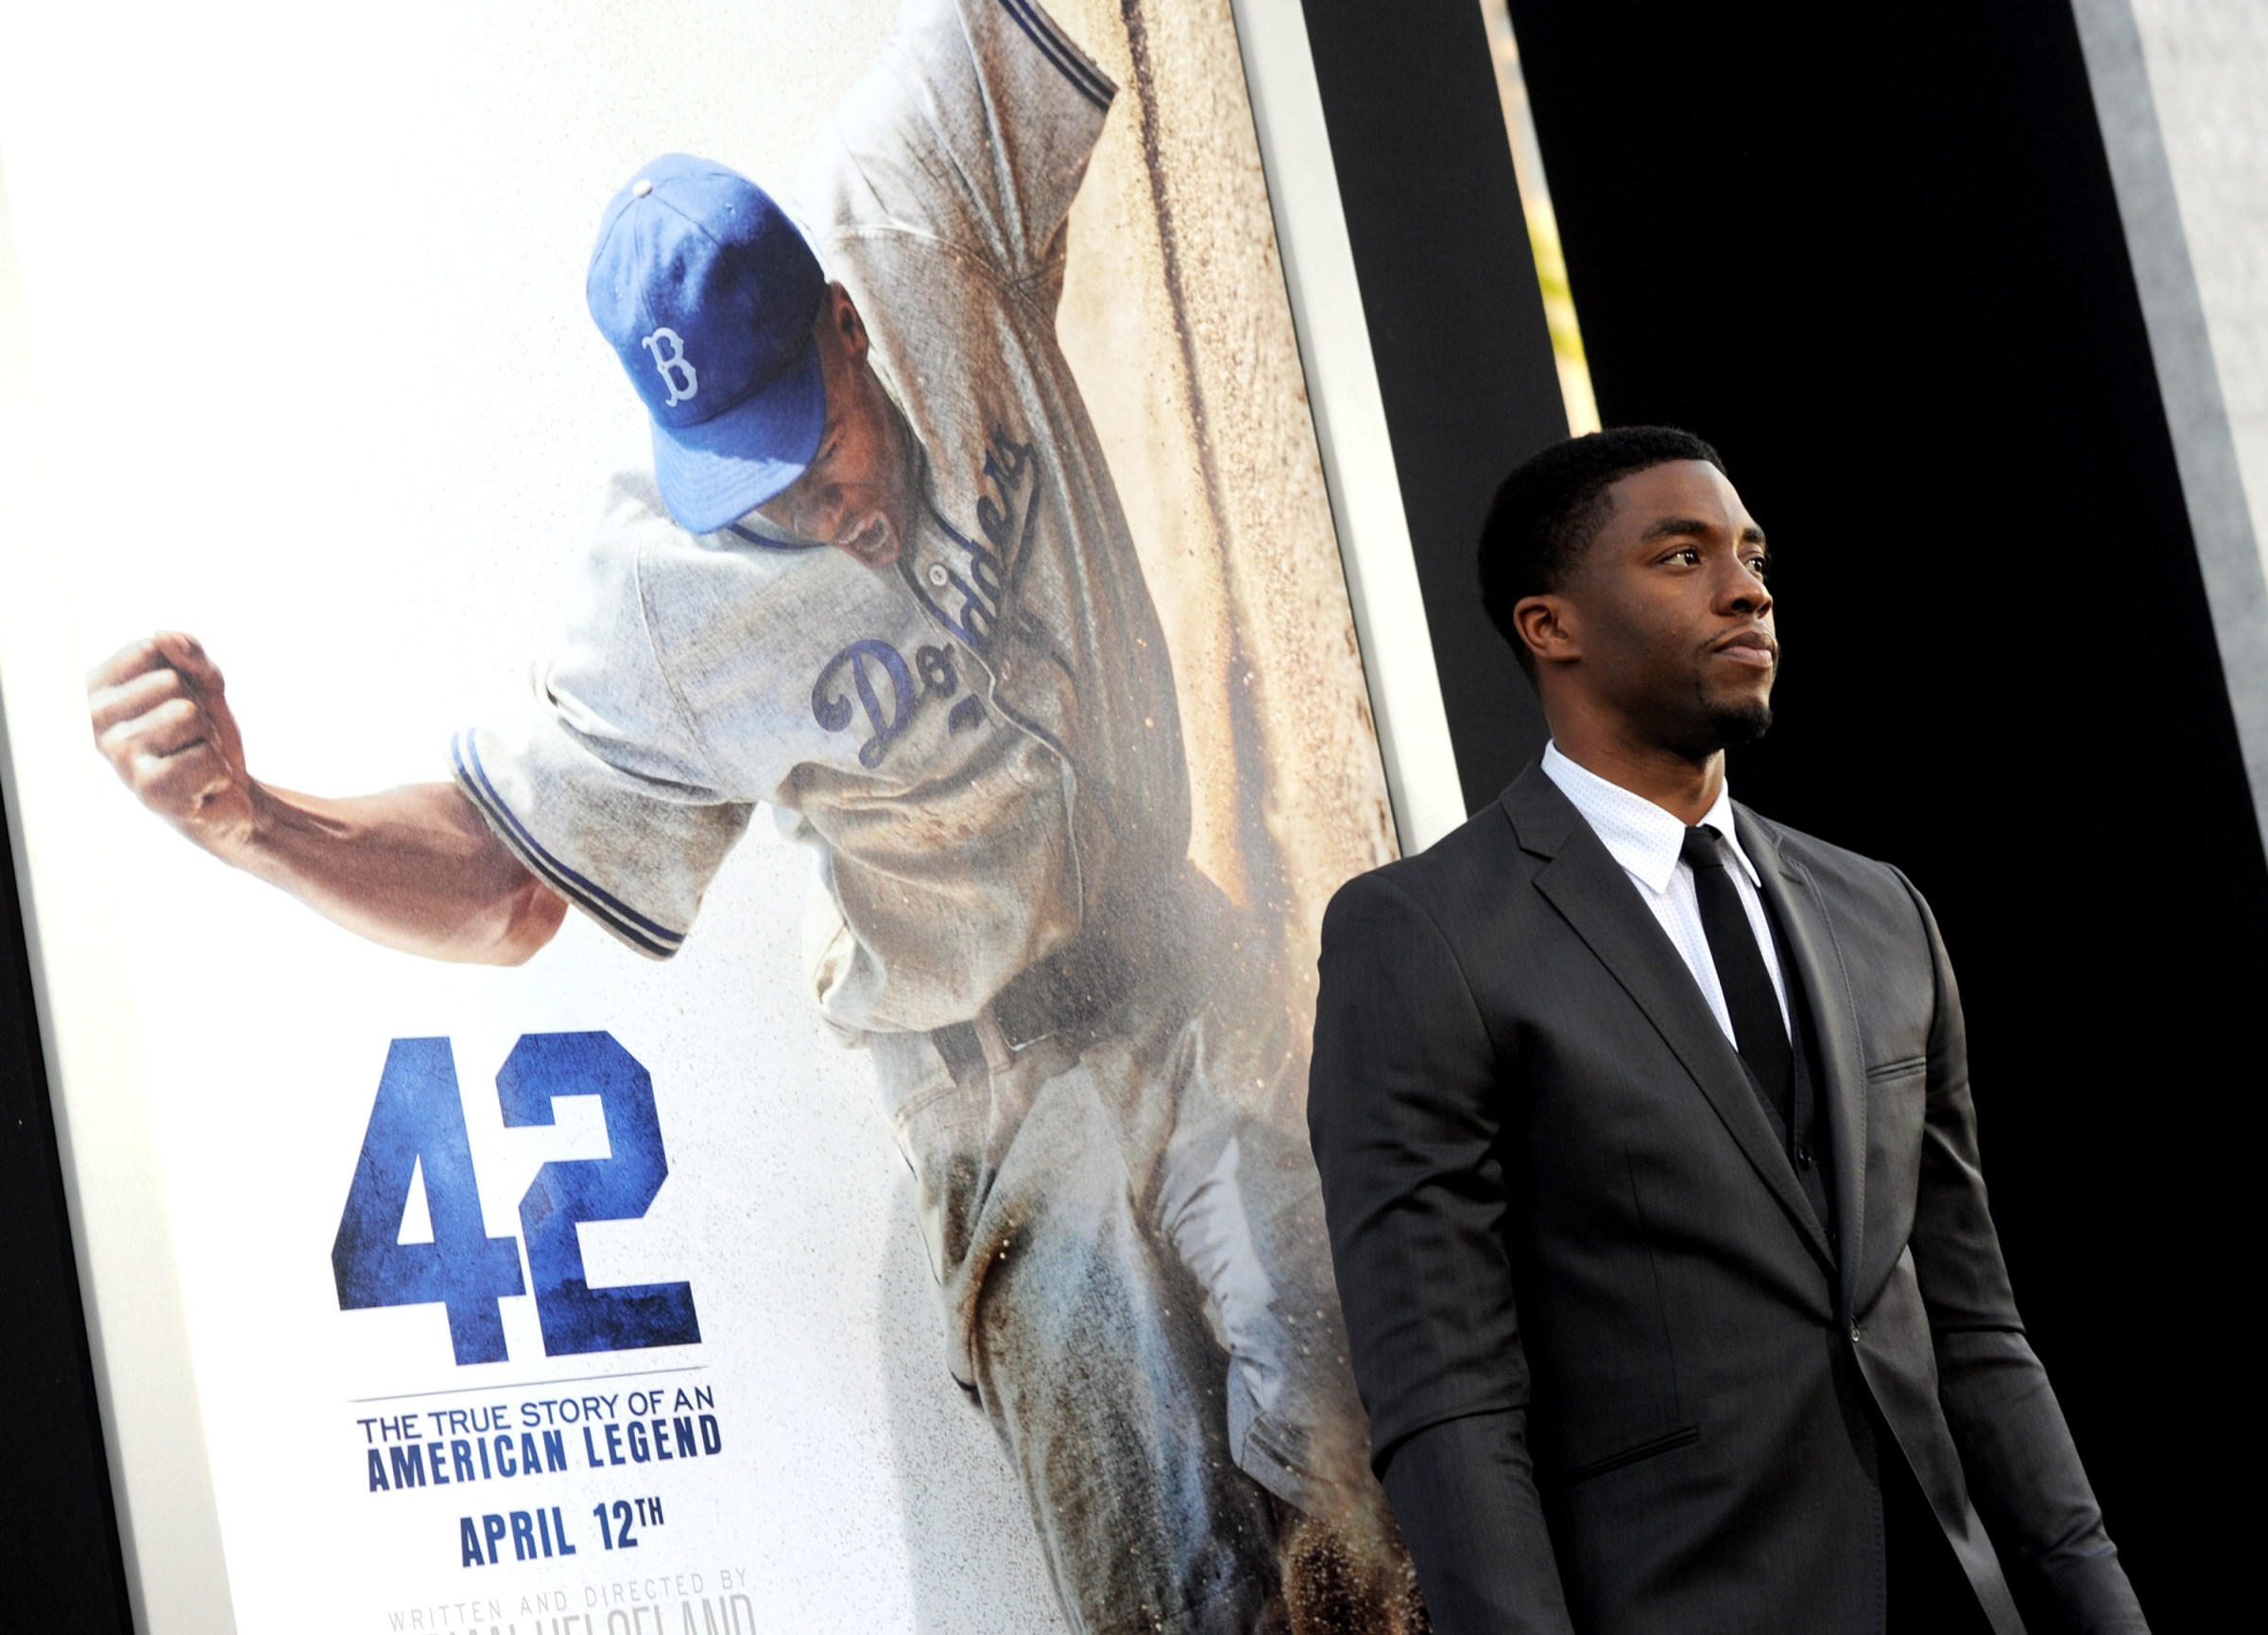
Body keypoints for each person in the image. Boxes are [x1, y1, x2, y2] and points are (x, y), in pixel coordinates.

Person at [84, 3, 1417, 1629]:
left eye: (816, 450)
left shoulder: (923, 187)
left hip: (1187, 982)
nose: (813, 508)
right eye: (754, 485)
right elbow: (504, 889)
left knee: (1372, 1475)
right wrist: (255, 824)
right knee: (1188, 1598)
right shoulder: (663, 599)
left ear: (847, 324)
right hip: (998, 1106)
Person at [1306, 427, 2149, 1635]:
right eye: (1681, 555)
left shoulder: (1882, 912)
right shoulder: (1426, 933)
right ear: (1552, 625)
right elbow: (1447, 1398)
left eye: (1751, 555)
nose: (1747, 587)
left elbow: (1973, 1322)